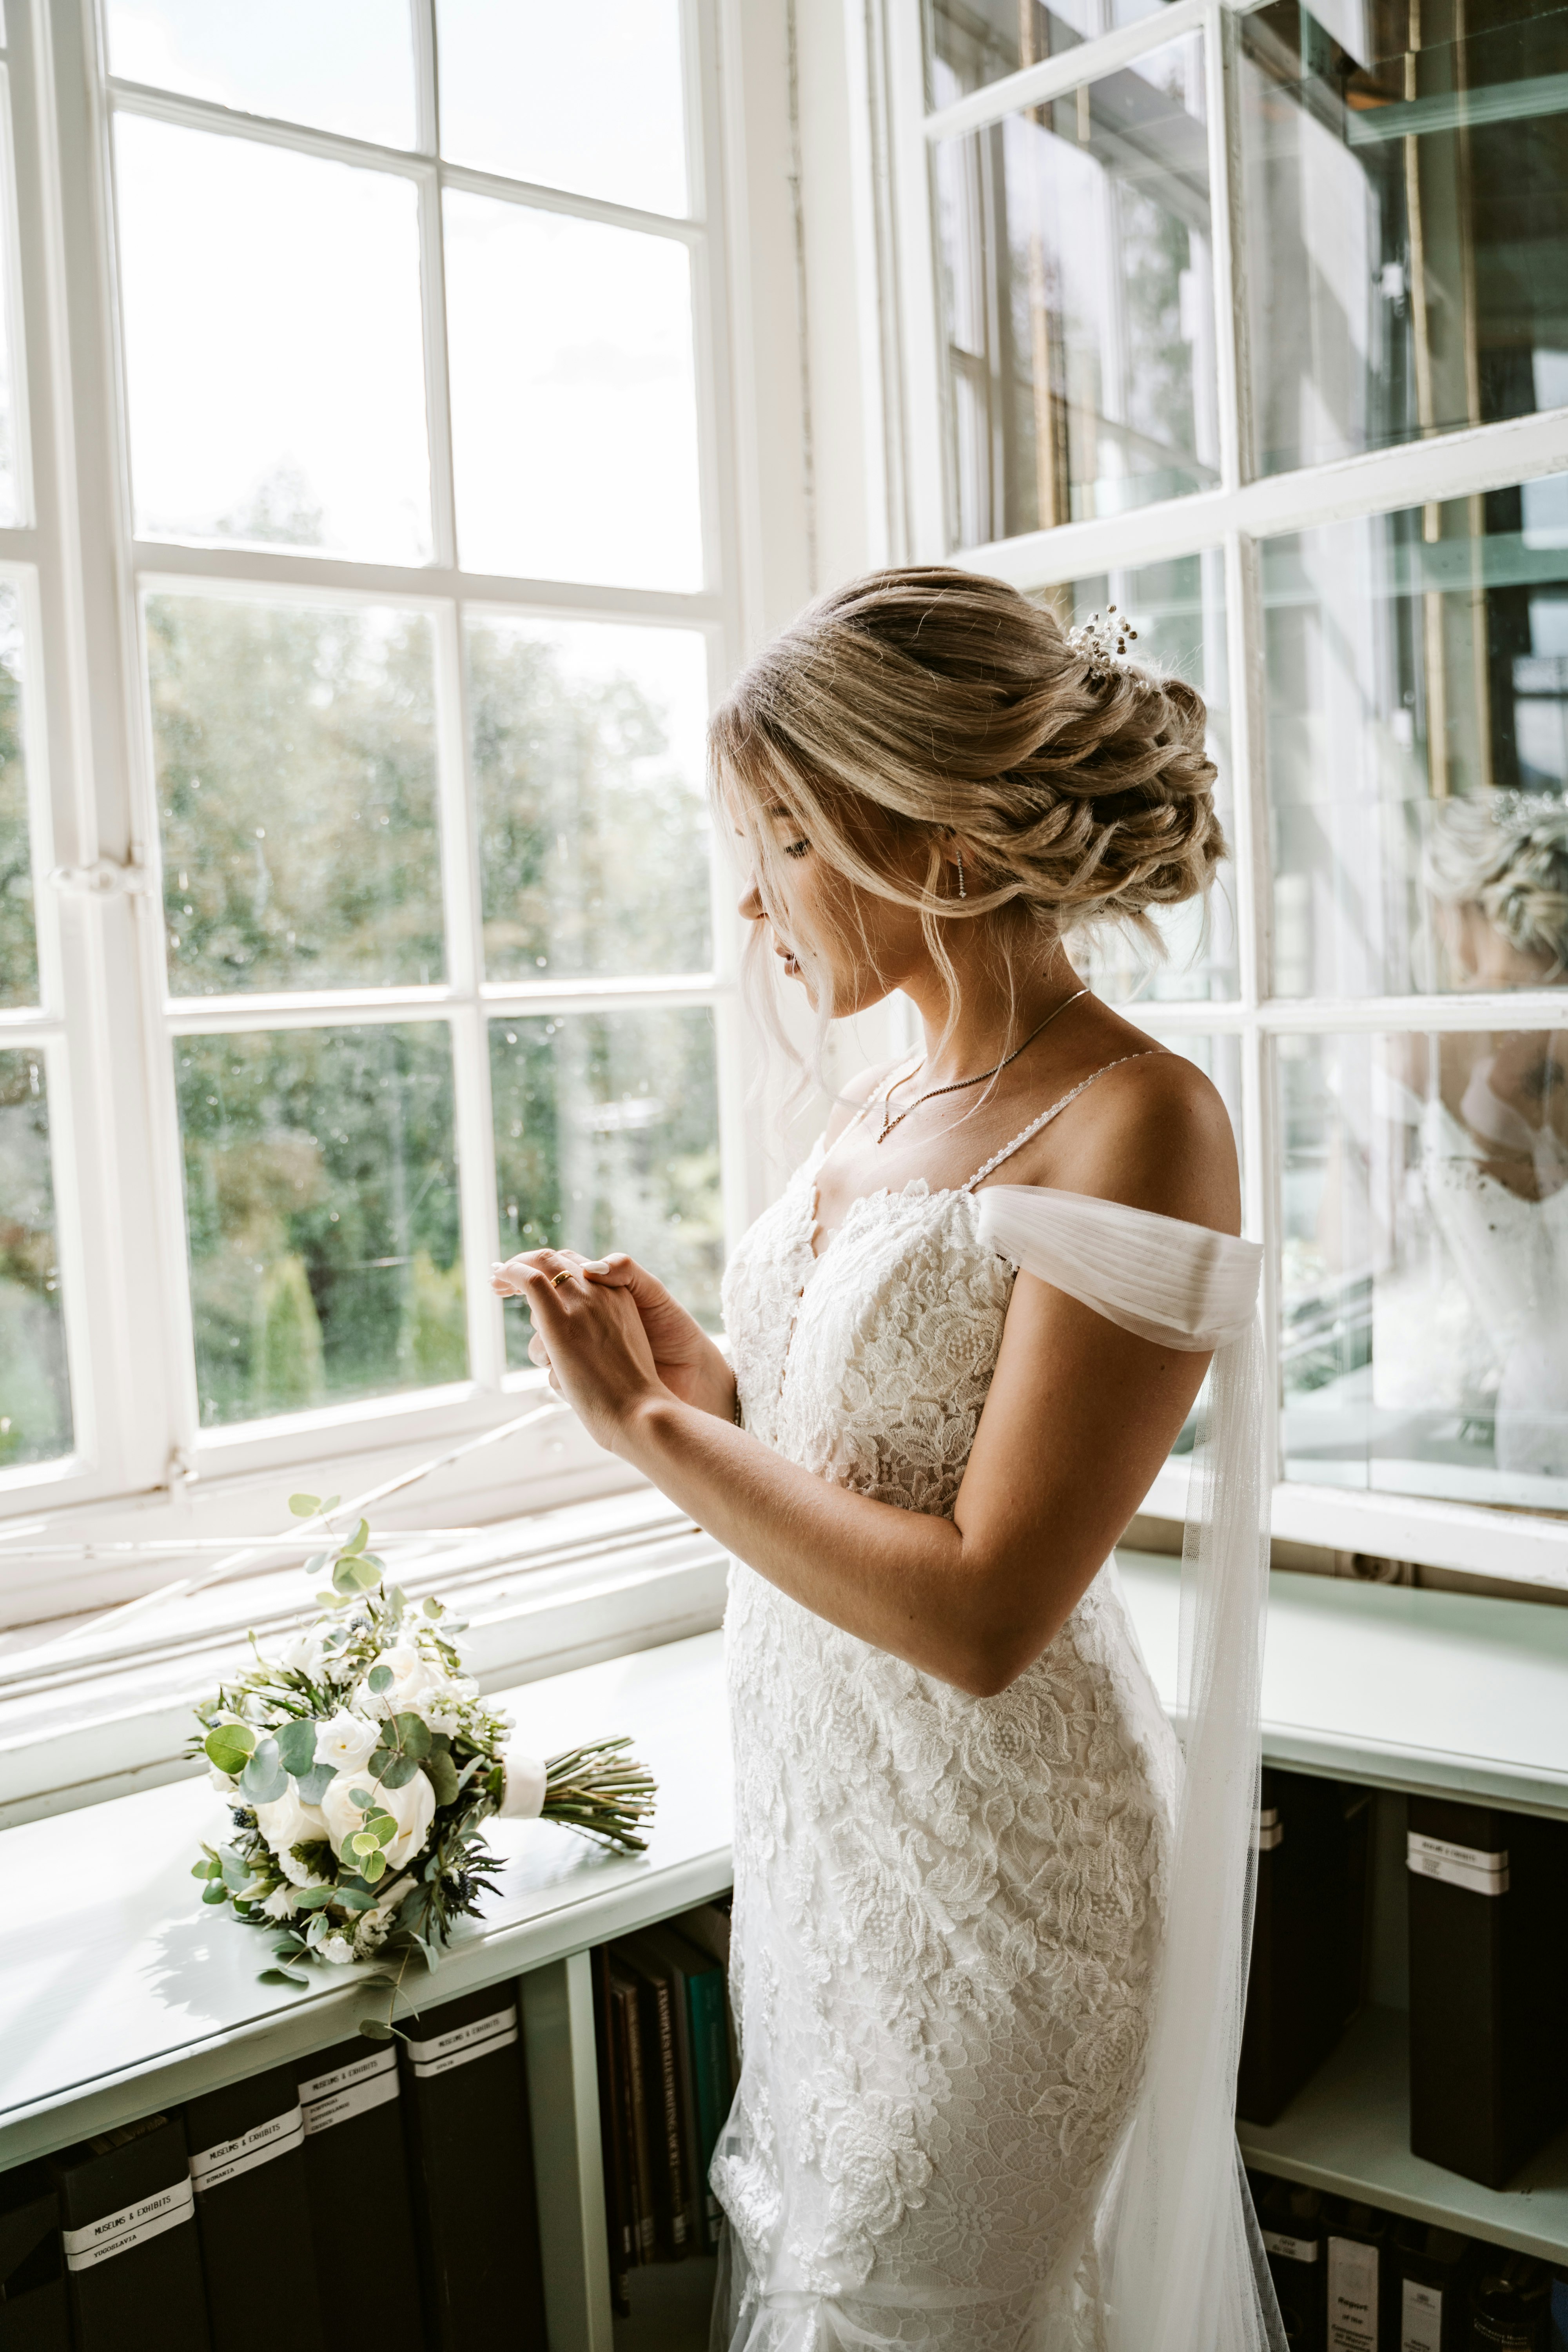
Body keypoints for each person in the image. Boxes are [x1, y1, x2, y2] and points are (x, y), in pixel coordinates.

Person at [494, 568, 1279, 2352]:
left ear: (913, 824)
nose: (759, 900)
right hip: (834, 1840)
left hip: (1004, 1881)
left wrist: (656, 1432)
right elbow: (872, 1472)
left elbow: (988, 1605)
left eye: (781, 837)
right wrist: (720, 1392)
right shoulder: (877, 1102)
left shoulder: (1140, 1120)